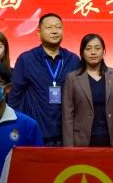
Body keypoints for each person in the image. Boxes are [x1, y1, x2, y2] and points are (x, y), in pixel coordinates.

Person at [9, 13, 80, 146]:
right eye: (49, 27)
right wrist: (18, 128)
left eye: (58, 27)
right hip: (35, 133)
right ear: (39, 32)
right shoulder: (26, 59)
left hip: (66, 136)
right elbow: (15, 97)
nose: (54, 31)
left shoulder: (73, 60)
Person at [62, 34, 113, 147]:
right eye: (88, 48)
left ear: (104, 51)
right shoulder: (72, 78)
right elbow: (67, 116)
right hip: (82, 141)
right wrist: (69, 147)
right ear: (82, 53)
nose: (93, 52)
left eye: (97, 48)